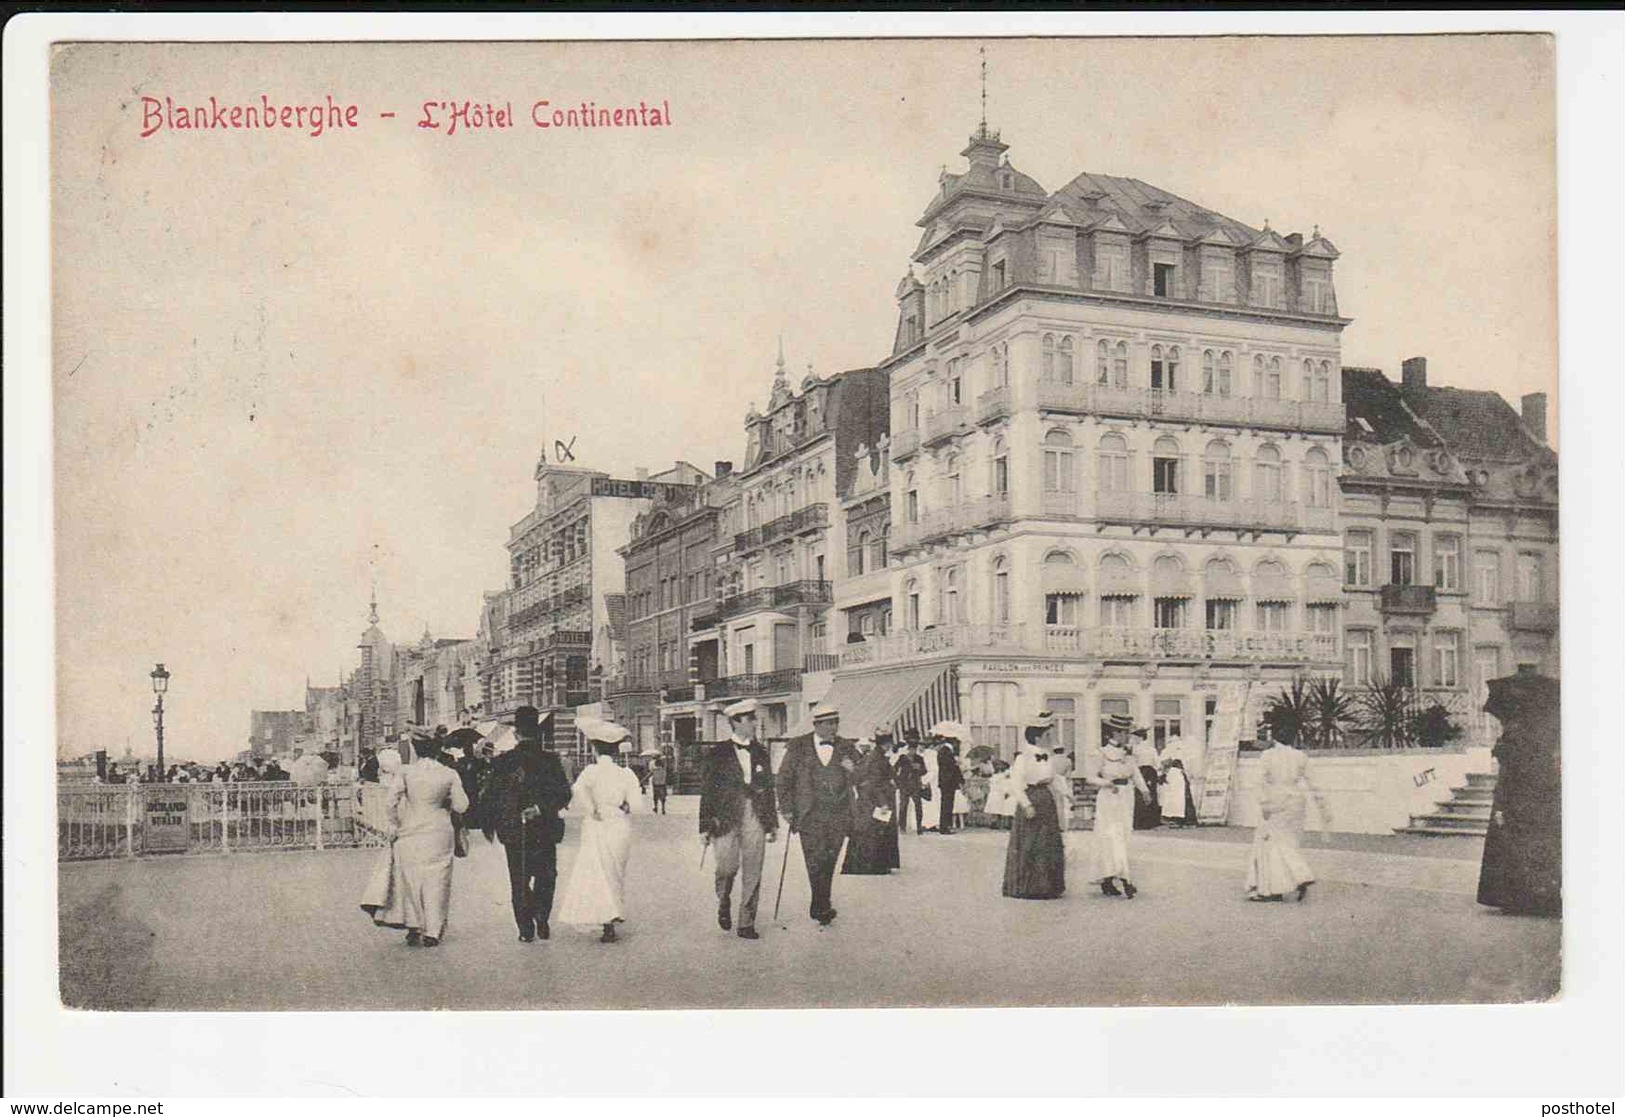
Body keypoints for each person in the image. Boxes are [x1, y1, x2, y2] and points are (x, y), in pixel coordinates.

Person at [478, 706, 572, 942]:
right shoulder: (550, 760)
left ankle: (525, 929)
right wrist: (540, 808)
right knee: (546, 875)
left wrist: (493, 824)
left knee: (519, 878)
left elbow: (489, 797)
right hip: (545, 829)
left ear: (516, 733)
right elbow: (564, 794)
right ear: (537, 732)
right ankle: (542, 917)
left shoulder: (503, 762)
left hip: (514, 830)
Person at [1476, 671, 1561, 916]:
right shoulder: (1545, 730)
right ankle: (1539, 897)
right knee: (1535, 845)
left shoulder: (1517, 730)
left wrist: (1501, 748)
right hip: (1538, 795)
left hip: (1515, 794)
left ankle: (1516, 897)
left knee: (1512, 844)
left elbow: (1512, 762)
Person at [557, 719, 645, 943]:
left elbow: (578, 790)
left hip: (597, 823)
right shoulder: (626, 773)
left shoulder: (591, 771)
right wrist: (624, 805)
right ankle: (613, 914)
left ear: (595, 748)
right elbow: (636, 805)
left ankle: (607, 918)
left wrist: (592, 808)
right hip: (619, 824)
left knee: (598, 871)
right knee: (616, 871)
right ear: (616, 749)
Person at [699, 699, 779, 940]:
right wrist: (704, 825)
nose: (755, 723)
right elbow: (707, 790)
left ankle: (746, 921)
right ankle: (724, 900)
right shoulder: (717, 753)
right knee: (726, 866)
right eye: (750, 719)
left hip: (755, 812)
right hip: (724, 816)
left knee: (754, 866)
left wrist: (772, 822)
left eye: (754, 718)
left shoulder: (761, 752)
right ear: (735, 722)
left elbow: (769, 787)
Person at [379, 734, 470, 946]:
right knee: (438, 879)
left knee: (411, 879)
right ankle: (433, 931)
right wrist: (445, 802)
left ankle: (414, 926)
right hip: (439, 831)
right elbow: (461, 806)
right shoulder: (449, 773)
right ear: (438, 750)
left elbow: (390, 801)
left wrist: (395, 822)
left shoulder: (406, 772)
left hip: (411, 831)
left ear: (415, 750)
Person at [777, 703, 859, 926]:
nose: (833, 728)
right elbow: (783, 780)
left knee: (830, 859)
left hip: (839, 813)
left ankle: (820, 901)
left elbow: (865, 777)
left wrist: (853, 770)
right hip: (809, 814)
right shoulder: (797, 746)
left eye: (836, 723)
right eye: (829, 723)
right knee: (815, 859)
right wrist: (785, 808)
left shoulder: (847, 747)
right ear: (817, 725)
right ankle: (822, 904)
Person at [1244, 727, 1316, 903]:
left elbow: (1258, 782)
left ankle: (1284, 883)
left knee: (1268, 843)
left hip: (1275, 800)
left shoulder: (1268, 756)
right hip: (1297, 801)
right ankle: (1293, 878)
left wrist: (1264, 804)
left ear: (1274, 736)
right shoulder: (1301, 756)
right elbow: (1312, 782)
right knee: (1288, 841)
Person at [1001, 711, 1067, 899]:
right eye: (1048, 734)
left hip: (1046, 799)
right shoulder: (1024, 757)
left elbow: (1054, 779)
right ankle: (1029, 886)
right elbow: (1015, 783)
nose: (1050, 738)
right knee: (1032, 843)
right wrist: (1026, 804)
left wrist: (1067, 795)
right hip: (1032, 798)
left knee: (1048, 842)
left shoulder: (1047, 755)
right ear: (1038, 736)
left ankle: (1048, 886)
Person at [1087, 715, 1151, 898]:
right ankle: (1125, 879)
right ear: (1115, 733)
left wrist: (1145, 791)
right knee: (1110, 837)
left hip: (1126, 796)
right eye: (1124, 733)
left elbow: (1136, 773)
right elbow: (1091, 777)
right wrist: (1107, 784)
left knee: (1123, 836)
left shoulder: (1128, 753)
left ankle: (1111, 879)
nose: (1128, 737)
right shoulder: (1100, 753)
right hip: (1109, 797)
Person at [841, 734, 899, 875]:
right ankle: (873, 865)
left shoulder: (873, 757)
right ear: (886, 744)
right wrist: (883, 802)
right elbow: (875, 782)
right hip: (876, 800)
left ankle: (873, 864)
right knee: (875, 833)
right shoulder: (877, 759)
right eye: (889, 744)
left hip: (869, 800)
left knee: (870, 832)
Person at [932, 722, 967, 835]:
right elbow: (950, 768)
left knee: (948, 804)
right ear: (953, 741)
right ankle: (945, 827)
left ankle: (946, 826)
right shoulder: (946, 752)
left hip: (946, 782)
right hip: (948, 782)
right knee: (947, 804)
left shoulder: (945, 751)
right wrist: (956, 765)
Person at [893, 734, 928, 835]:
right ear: (908, 749)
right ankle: (902, 827)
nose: (912, 751)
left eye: (914, 750)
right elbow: (895, 769)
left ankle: (919, 826)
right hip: (904, 785)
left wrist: (919, 768)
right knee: (903, 806)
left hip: (915, 784)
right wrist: (898, 781)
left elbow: (924, 771)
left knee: (918, 806)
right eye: (911, 749)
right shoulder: (902, 758)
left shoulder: (919, 758)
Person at [1132, 732, 1162, 830]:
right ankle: (1152, 821)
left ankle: (1140, 821)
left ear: (1140, 738)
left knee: (1140, 794)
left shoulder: (1136, 749)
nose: (1135, 740)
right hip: (1151, 772)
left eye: (1136, 738)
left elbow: (1133, 763)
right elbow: (1157, 763)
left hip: (1141, 771)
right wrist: (1158, 773)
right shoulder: (1151, 749)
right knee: (1152, 794)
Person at [1160, 758, 1197, 827]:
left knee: (1176, 806)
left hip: (1176, 795)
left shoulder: (1171, 772)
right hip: (1183, 793)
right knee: (1185, 805)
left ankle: (1177, 821)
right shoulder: (1181, 772)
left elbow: (1162, 781)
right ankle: (1189, 822)